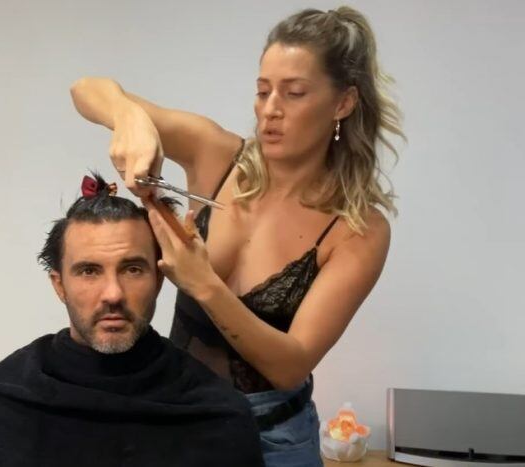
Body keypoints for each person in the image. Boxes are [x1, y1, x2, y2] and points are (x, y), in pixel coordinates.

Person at [70, 6, 404, 466]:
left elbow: (290, 365)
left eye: (294, 93)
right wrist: (130, 118)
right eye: (263, 91)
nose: (270, 110)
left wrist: (203, 283)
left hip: (272, 437)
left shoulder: (357, 230)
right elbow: (85, 89)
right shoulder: (215, 155)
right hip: (178, 413)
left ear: (342, 103)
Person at [0, 174, 264, 467]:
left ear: (159, 280)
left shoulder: (216, 411)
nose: (113, 294)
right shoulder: (0, 402)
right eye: (89, 271)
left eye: (132, 269)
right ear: (59, 285)